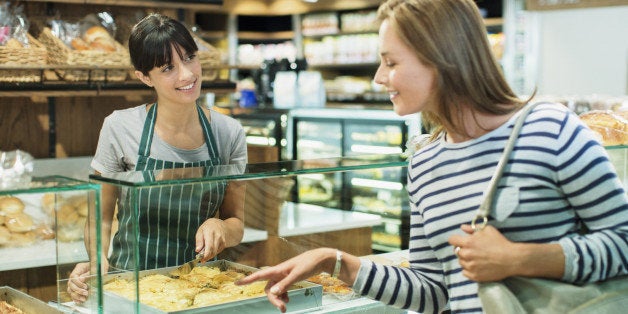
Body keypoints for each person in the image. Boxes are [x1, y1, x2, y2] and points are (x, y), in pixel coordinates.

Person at [236, 0, 628, 313]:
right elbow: (434, 289)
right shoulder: (424, 162)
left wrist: (520, 259)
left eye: (391, 62)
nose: (378, 77)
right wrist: (335, 262)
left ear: (443, 61)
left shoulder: (549, 129)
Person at [67, 13, 247, 303]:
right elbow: (99, 217)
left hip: (199, 289)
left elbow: (237, 221)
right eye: (167, 68)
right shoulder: (120, 127)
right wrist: (98, 263)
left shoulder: (229, 133)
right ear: (143, 77)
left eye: (189, 57)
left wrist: (222, 227)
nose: (187, 74)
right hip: (130, 287)